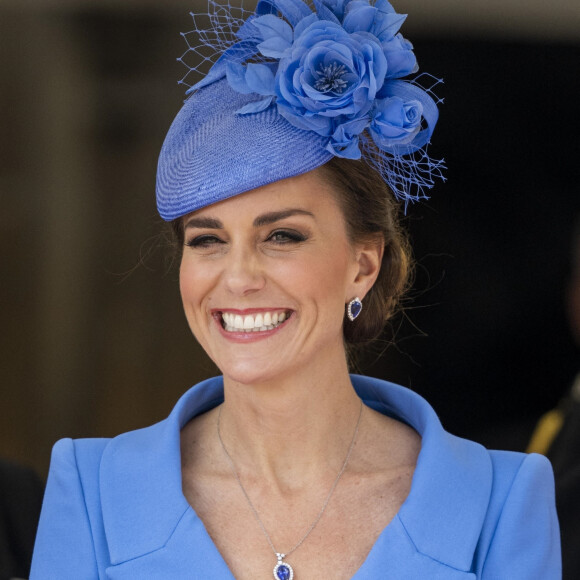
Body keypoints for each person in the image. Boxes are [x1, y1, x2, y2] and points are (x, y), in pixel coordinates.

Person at [31, 0, 561, 578]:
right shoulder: (90, 491)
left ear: (363, 265)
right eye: (207, 240)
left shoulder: (500, 503)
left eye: (282, 235)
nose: (237, 277)